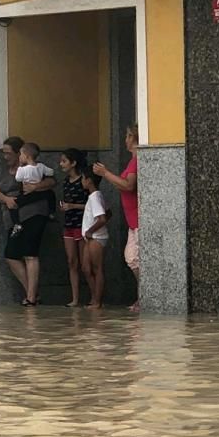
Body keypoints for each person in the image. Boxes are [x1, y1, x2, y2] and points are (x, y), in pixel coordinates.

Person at [0, 137, 56, 307]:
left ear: (20, 153)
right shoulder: (6, 173)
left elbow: (52, 181)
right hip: (14, 218)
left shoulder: (33, 167)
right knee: (11, 254)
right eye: (3, 153)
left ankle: (30, 297)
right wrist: (5, 199)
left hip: (32, 213)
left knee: (30, 253)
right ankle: (33, 293)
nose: (5, 157)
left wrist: (36, 187)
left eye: (8, 153)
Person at [94, 124, 139, 312]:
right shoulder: (131, 161)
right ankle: (142, 295)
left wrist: (106, 174)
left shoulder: (137, 161)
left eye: (129, 136)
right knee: (132, 258)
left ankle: (144, 295)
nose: (125, 140)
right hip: (132, 220)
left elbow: (128, 185)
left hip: (138, 219)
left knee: (133, 258)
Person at [58, 148, 88, 307]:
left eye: (64, 161)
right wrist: (65, 207)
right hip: (69, 224)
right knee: (71, 261)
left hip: (81, 224)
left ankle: (93, 296)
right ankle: (75, 298)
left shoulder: (84, 180)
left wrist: (73, 206)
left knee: (85, 263)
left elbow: (92, 205)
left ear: (73, 163)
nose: (61, 164)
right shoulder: (65, 182)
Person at [10, 142, 55, 236]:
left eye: (21, 154)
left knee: (13, 205)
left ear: (26, 156)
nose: (20, 157)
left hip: (27, 193)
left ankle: (17, 224)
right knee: (50, 194)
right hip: (40, 192)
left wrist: (20, 167)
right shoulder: (41, 166)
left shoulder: (23, 169)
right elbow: (51, 172)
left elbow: (18, 178)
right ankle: (51, 212)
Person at [81, 167, 109, 310]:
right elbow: (108, 213)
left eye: (83, 178)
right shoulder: (95, 196)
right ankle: (94, 297)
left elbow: (102, 218)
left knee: (97, 269)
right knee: (86, 268)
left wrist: (90, 231)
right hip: (91, 237)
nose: (82, 181)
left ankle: (98, 301)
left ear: (89, 181)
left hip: (96, 237)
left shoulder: (95, 197)